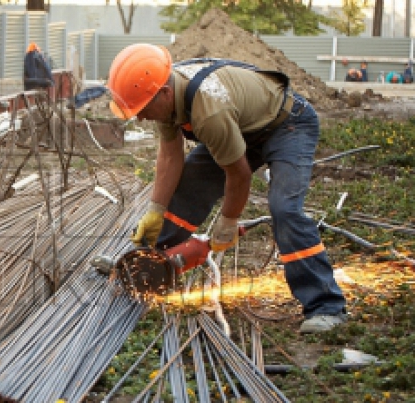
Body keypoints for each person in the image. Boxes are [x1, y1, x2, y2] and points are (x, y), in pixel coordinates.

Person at [107, 44, 347, 333]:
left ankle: (326, 306)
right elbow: (170, 156)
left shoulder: (207, 111)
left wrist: (228, 221)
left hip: (287, 126)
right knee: (187, 190)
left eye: (143, 111)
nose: (140, 118)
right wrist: (156, 210)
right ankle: (147, 266)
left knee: (285, 209)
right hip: (239, 127)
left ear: (165, 94)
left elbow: (239, 174)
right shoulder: (165, 93)